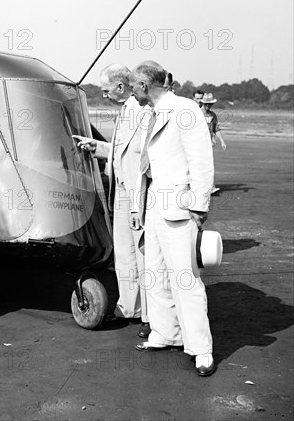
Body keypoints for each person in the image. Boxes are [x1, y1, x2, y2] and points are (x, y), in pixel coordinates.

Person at [129, 61, 216, 377]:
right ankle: (166, 334)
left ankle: (201, 349)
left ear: (143, 85)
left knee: (185, 278)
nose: (131, 91)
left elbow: (201, 159)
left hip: (179, 206)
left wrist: (199, 204)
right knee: (154, 272)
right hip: (153, 204)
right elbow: (144, 167)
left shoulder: (185, 109)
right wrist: (139, 208)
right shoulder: (147, 115)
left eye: (133, 86)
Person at [73, 64, 150, 338]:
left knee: (143, 256)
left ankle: (151, 317)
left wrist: (138, 203)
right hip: (120, 194)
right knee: (125, 256)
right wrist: (96, 147)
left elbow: (143, 157)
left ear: (120, 87)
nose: (104, 95)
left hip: (135, 195)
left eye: (106, 90)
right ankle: (130, 308)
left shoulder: (142, 112)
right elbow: (121, 151)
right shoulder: (126, 111)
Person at [200, 92, 227, 194]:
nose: (208, 106)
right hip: (198, 143)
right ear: (202, 103)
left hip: (208, 144)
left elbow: (216, 128)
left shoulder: (213, 115)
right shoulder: (197, 113)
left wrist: (222, 141)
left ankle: (210, 186)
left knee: (208, 165)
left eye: (209, 104)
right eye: (206, 104)